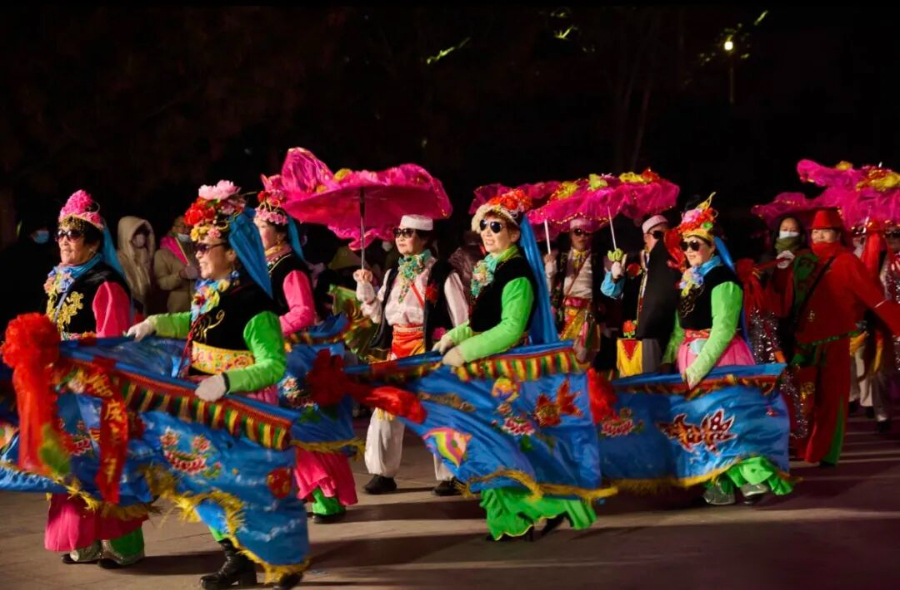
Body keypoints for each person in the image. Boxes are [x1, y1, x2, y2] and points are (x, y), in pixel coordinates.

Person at [127, 180, 302, 590]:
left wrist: (226, 380)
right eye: (197, 246)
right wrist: (155, 323)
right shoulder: (209, 292)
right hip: (205, 403)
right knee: (203, 486)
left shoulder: (255, 304)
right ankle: (236, 559)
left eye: (205, 247)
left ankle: (283, 560)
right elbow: (195, 324)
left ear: (232, 252)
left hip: (243, 408)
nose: (198, 254)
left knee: (252, 492)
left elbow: (273, 365)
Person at [434, 189, 598, 540]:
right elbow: (482, 321)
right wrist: (454, 336)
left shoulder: (517, 272)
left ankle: (528, 513)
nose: (488, 232)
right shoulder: (490, 266)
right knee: (490, 445)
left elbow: (510, 328)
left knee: (499, 447)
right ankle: (515, 519)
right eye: (484, 226)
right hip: (486, 369)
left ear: (513, 233)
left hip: (506, 373)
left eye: (496, 226)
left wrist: (464, 352)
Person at [43, 190, 144, 567]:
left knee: (103, 464)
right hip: (60, 385)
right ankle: (82, 541)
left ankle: (123, 546)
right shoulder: (58, 278)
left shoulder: (106, 282)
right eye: (61, 233)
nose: (64, 240)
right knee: (68, 463)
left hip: (93, 387)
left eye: (73, 234)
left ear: (94, 242)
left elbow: (112, 343)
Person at [255, 186, 358, 523]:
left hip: (295, 356)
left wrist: (267, 329)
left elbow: (302, 312)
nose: (257, 233)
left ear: (280, 231)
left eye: (262, 227)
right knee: (288, 429)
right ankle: (309, 493)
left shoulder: (289, 266)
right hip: (275, 356)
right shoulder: (264, 264)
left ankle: (328, 499)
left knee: (308, 428)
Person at [766, 209, 900, 466]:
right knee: (803, 398)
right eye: (815, 231)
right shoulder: (802, 259)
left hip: (834, 341)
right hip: (803, 341)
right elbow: (783, 297)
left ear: (838, 234)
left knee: (832, 400)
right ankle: (804, 447)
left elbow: (873, 298)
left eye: (825, 231)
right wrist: (778, 270)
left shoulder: (847, 261)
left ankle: (827, 452)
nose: (819, 235)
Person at [354, 214, 469, 496]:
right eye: (398, 232)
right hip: (397, 349)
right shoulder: (393, 273)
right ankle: (382, 473)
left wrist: (455, 352)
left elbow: (461, 317)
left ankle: (452, 474)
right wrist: (366, 288)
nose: (401, 237)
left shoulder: (442, 272)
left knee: (440, 410)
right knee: (386, 410)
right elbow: (379, 315)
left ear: (425, 238)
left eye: (408, 232)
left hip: (428, 350)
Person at [600, 214, 681, 375]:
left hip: (659, 331)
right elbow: (609, 291)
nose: (663, 240)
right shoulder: (630, 259)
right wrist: (614, 276)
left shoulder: (673, 261)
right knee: (630, 382)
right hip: (631, 332)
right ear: (645, 237)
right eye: (658, 235)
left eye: (667, 235)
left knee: (656, 381)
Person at [543, 218, 606, 363]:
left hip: (587, 313)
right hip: (564, 314)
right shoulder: (559, 257)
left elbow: (608, 291)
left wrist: (613, 276)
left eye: (587, 233)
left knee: (582, 357)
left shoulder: (598, 259)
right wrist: (549, 275)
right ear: (570, 234)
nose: (582, 236)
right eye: (578, 232)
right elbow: (549, 290)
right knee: (562, 355)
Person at [0, 205, 57, 330]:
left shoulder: (47, 256)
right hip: (13, 318)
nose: (45, 231)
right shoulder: (11, 256)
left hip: (38, 319)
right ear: (29, 230)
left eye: (45, 228)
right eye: (40, 228)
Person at [153, 215, 198, 313]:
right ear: (174, 229)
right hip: (178, 309)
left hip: (199, 306)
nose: (187, 230)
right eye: (183, 226)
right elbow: (160, 283)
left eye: (189, 227)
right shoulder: (163, 254)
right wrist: (180, 275)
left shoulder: (196, 249)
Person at [116, 216, 156, 315]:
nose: (141, 237)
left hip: (148, 309)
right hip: (131, 310)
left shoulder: (147, 256)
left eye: (143, 232)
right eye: (136, 233)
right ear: (126, 235)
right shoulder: (119, 259)